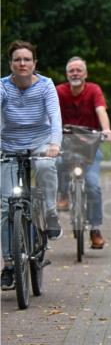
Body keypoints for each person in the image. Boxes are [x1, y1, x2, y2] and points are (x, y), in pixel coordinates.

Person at [1, 41, 62, 289]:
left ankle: (49, 213)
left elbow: (55, 118)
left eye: (27, 59)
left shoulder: (46, 86)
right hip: (9, 145)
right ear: (11, 64)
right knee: (5, 206)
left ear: (34, 63)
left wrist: (54, 144)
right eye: (18, 60)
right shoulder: (3, 87)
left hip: (40, 143)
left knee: (46, 167)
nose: (22, 64)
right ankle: (9, 264)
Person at [55, 56, 111, 249]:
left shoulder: (94, 90)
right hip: (66, 143)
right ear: (67, 74)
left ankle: (95, 229)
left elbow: (101, 110)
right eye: (72, 70)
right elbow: (52, 114)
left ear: (85, 74)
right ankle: (63, 194)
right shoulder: (59, 91)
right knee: (56, 161)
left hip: (91, 146)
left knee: (93, 186)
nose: (75, 73)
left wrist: (106, 130)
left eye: (79, 70)